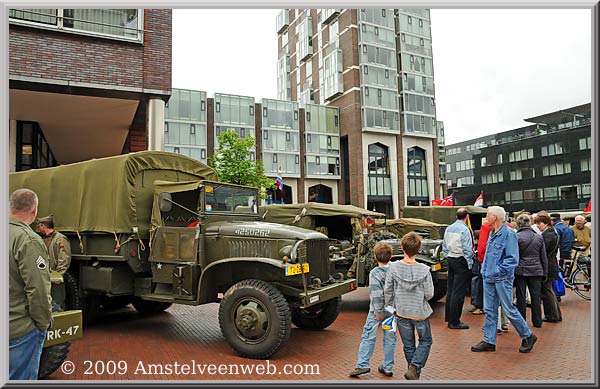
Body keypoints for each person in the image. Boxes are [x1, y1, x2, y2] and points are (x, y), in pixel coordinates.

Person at [471, 206, 538, 353]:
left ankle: (527, 335)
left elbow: (512, 259)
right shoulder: (493, 233)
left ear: (494, 217)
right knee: (490, 310)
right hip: (489, 277)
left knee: (508, 308)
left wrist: (496, 270)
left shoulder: (508, 234)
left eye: (488, 215)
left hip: (501, 278)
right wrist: (486, 271)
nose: (486, 218)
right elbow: (489, 255)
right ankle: (489, 340)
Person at [9, 189, 53, 380]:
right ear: (34, 211)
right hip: (20, 328)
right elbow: (38, 290)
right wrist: (43, 323)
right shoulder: (28, 240)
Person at [384, 232, 433, 381]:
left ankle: (412, 370)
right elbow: (429, 294)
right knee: (426, 340)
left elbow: (388, 290)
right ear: (418, 249)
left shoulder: (393, 268)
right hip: (419, 312)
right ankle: (415, 367)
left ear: (402, 248)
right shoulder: (425, 270)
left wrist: (391, 307)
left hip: (401, 311)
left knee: (408, 344)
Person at [349, 243, 396, 378]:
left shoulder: (375, 273)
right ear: (391, 256)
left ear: (375, 257)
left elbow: (376, 294)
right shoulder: (394, 269)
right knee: (390, 338)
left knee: (368, 336)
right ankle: (387, 367)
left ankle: (362, 365)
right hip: (391, 311)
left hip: (376, 312)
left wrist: (379, 312)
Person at [442, 208, 474, 329]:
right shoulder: (465, 230)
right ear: (467, 217)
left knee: (450, 290)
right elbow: (467, 248)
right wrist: (469, 262)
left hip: (451, 258)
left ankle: (449, 317)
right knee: (459, 292)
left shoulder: (449, 228)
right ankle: (454, 321)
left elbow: (444, 245)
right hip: (461, 260)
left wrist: (447, 256)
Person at [514, 214, 548, 329]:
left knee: (521, 297)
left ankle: (522, 321)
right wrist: (545, 272)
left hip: (520, 270)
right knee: (536, 296)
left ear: (519, 224)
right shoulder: (538, 237)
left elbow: (513, 255)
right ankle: (537, 321)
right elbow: (543, 257)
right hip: (536, 270)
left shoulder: (516, 237)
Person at [536, 212, 562, 323]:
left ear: (545, 223)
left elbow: (543, 252)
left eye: (539, 223)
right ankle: (556, 314)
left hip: (548, 266)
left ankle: (552, 315)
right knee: (549, 290)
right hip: (552, 264)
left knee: (547, 291)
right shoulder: (552, 233)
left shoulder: (547, 235)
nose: (538, 225)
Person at [469, 230, 484, 315]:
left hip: (478, 269)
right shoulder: (476, 248)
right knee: (475, 283)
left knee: (478, 284)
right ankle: (475, 303)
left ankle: (479, 305)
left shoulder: (478, 249)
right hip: (476, 271)